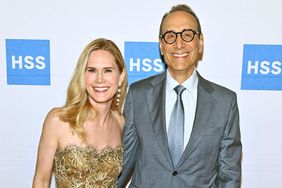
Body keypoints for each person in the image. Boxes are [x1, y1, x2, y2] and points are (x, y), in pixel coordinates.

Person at [118, 4, 242, 188]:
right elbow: (122, 163)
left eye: (187, 34)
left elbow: (229, 175)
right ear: (161, 46)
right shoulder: (138, 94)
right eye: (170, 36)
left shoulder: (224, 102)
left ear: (200, 42)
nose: (179, 44)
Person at [32, 38, 127, 188]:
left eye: (108, 70)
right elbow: (41, 181)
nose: (100, 79)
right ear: (82, 75)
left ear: (120, 76)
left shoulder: (122, 122)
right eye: (92, 70)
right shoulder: (59, 120)